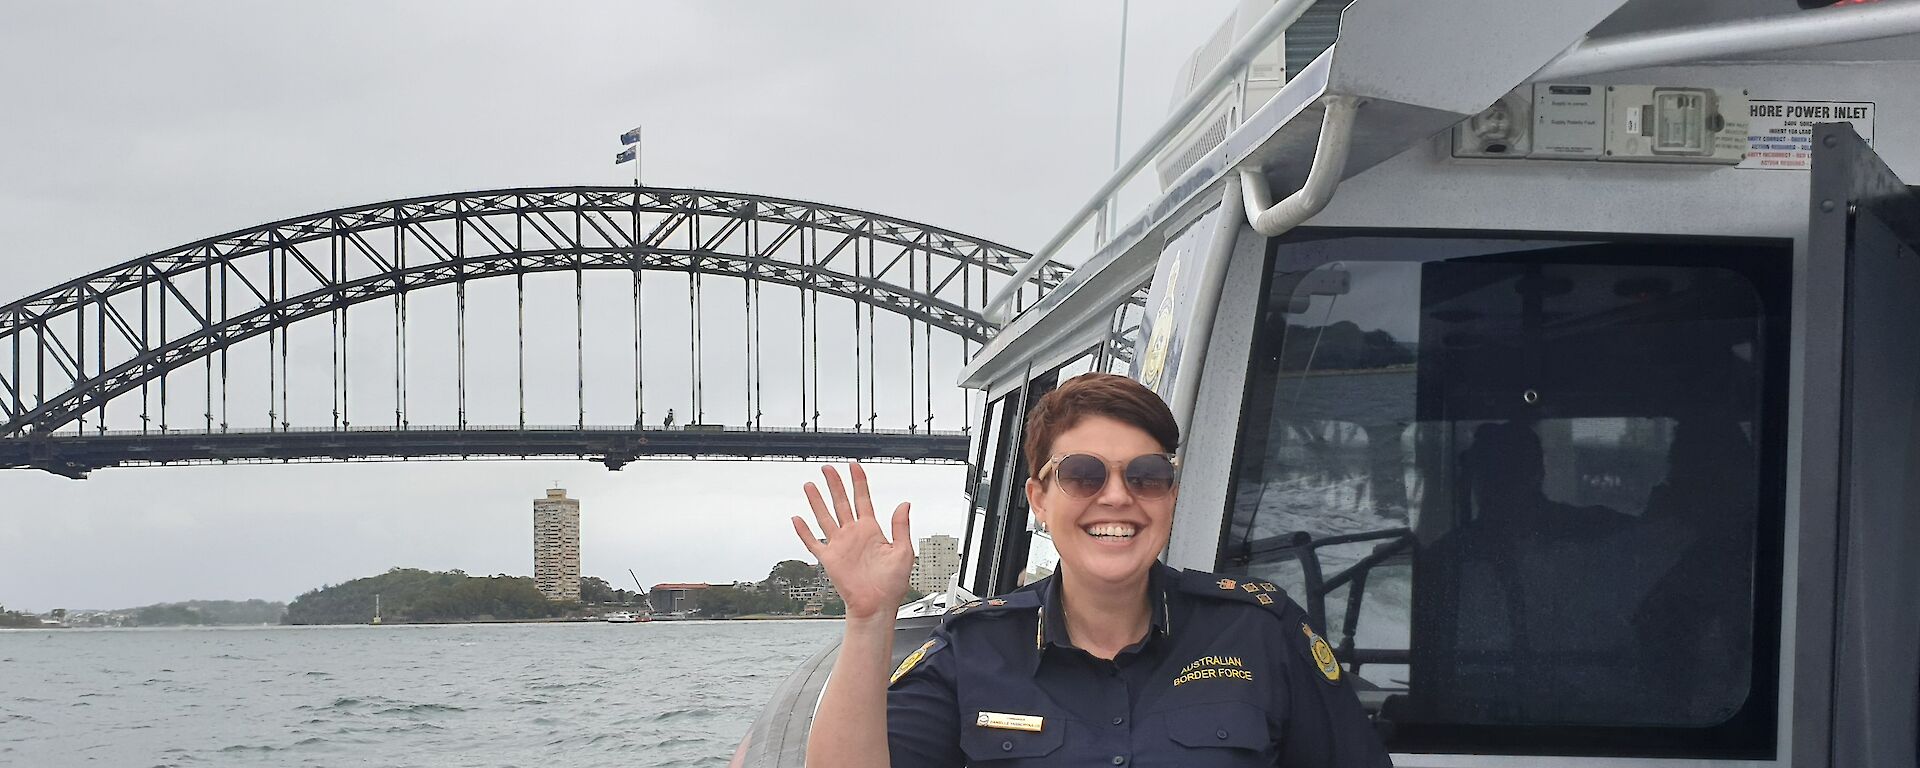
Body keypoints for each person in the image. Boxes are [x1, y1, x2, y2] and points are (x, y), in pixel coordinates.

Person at [790, 373, 1392, 767]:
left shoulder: (1262, 632)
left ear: (1170, 497)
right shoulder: (972, 652)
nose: (1116, 497)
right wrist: (869, 620)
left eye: (1146, 476)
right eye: (1083, 473)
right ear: (1039, 500)